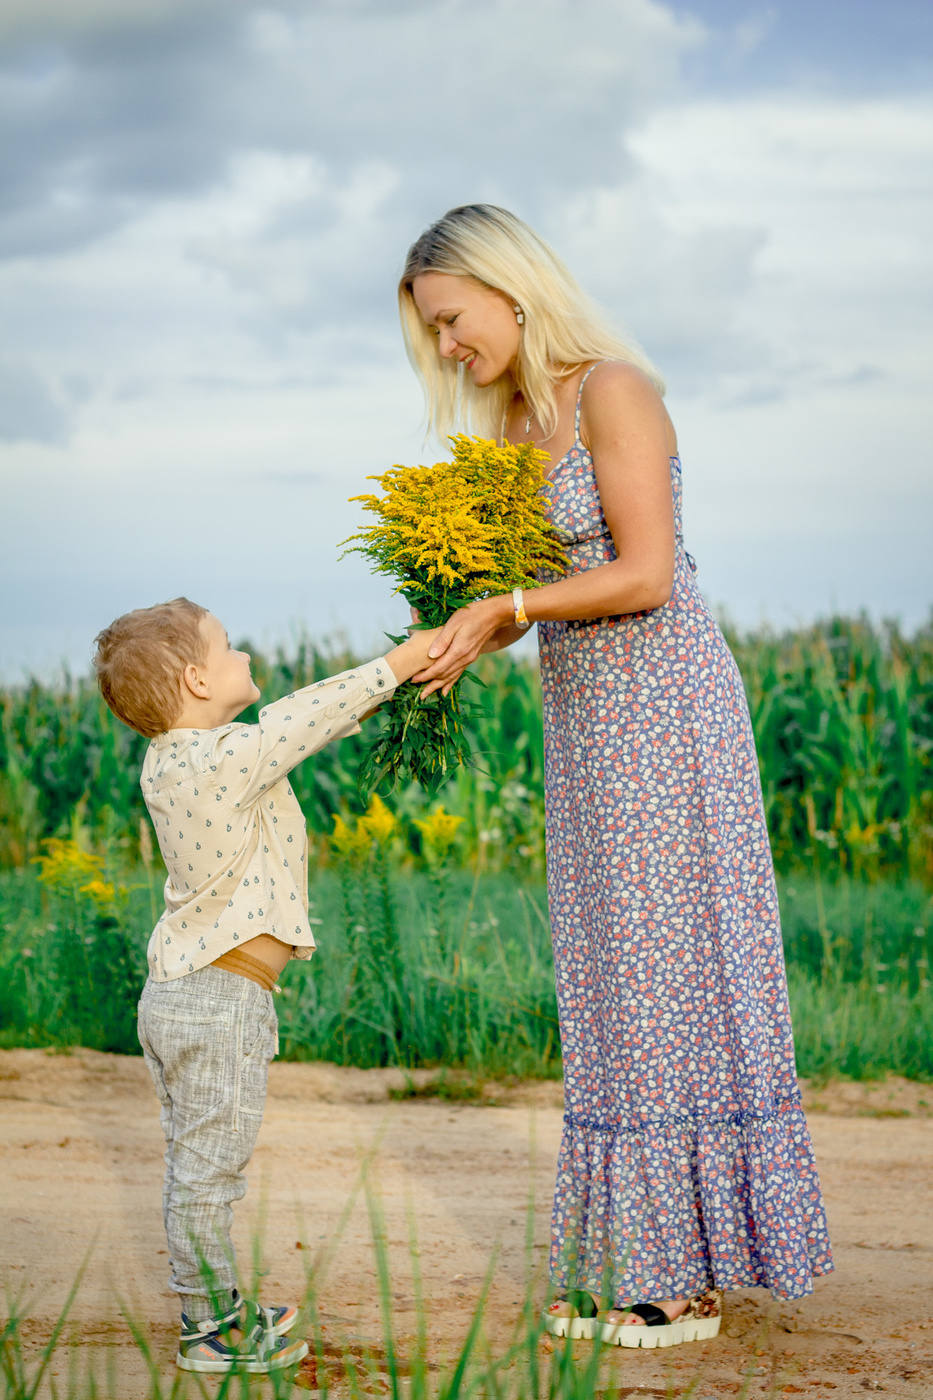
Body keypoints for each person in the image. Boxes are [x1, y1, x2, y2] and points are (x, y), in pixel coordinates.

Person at [398, 204, 833, 1348]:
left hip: (666, 705)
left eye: (450, 320)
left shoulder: (613, 391)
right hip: (588, 721)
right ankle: (639, 1256)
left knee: (668, 969)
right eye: (433, 334)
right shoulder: (507, 427)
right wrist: (452, 644)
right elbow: (509, 596)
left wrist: (511, 605)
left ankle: (680, 1283)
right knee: (608, 978)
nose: (448, 348)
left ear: (506, 286)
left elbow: (641, 572)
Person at [93, 598, 439, 1372]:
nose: (241, 651)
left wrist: (400, 685)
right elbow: (297, 720)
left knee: (200, 1167)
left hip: (204, 994)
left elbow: (298, 734)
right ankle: (210, 1330)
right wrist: (399, 663)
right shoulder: (210, 760)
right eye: (226, 646)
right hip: (215, 1002)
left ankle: (218, 1307)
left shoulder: (196, 758)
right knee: (206, 1176)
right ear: (194, 677)